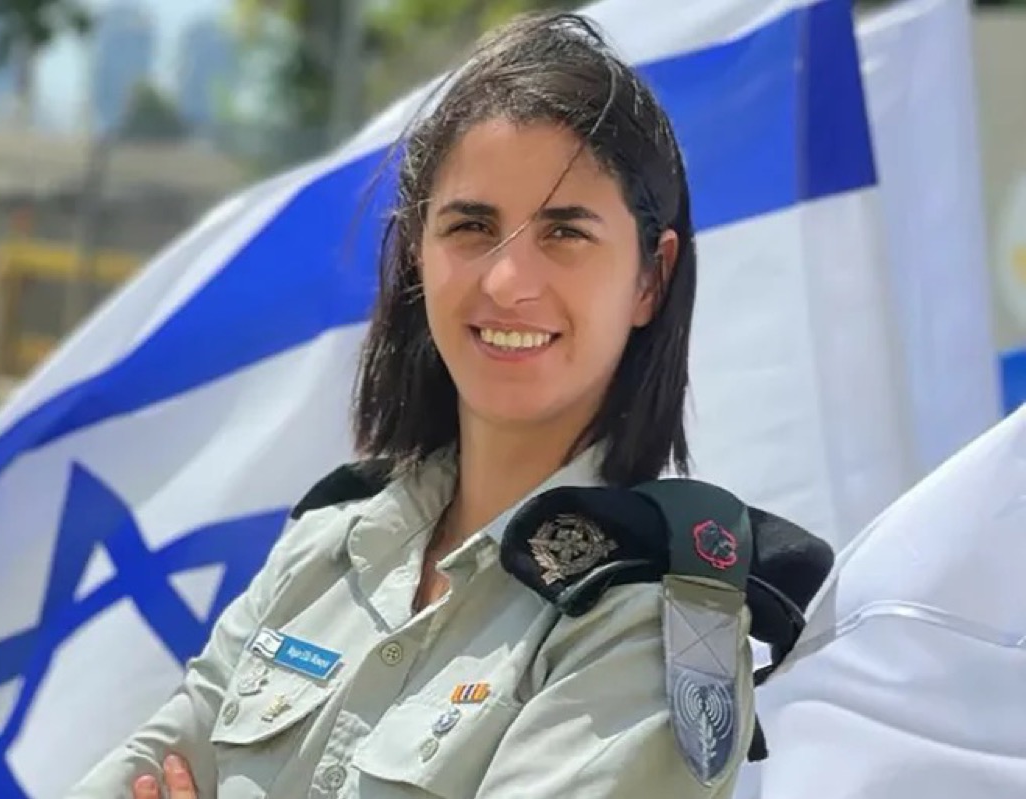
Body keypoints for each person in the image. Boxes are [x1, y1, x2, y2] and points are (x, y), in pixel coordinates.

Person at [68, 11, 758, 799]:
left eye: (565, 233)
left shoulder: (647, 626)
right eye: (472, 226)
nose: (507, 282)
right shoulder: (325, 552)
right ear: (417, 256)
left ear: (650, 279)